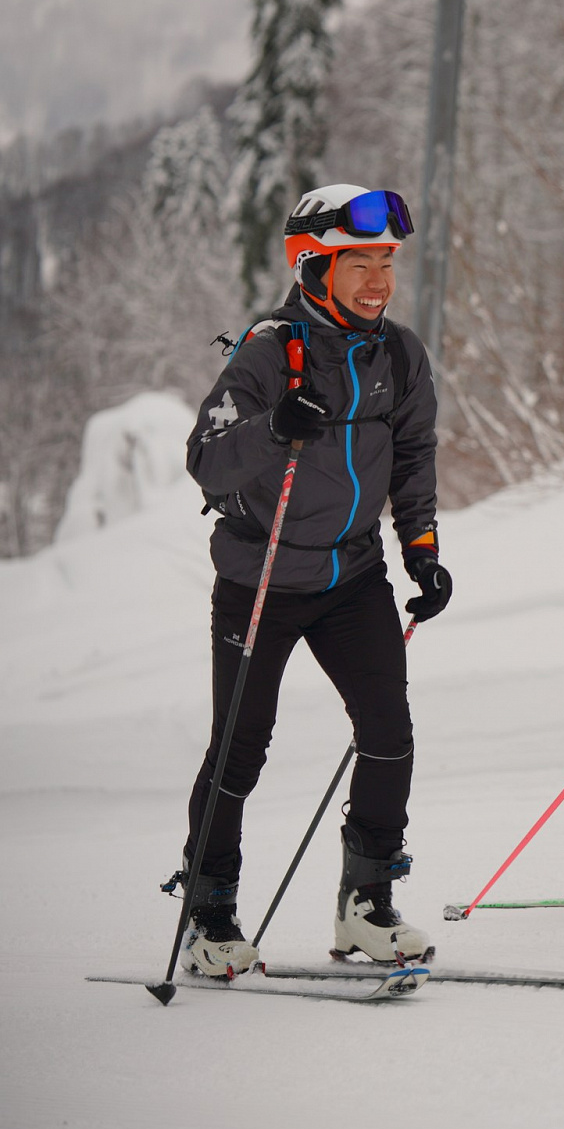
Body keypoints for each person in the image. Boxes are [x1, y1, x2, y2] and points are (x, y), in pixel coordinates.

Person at [177, 184, 450, 976]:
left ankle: (365, 905)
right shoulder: (268, 351)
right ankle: (210, 912)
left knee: (388, 736)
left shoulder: (398, 353)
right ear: (312, 265)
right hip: (261, 576)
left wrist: (423, 550)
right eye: (358, 262)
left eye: (386, 262)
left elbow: (413, 457)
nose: (378, 280)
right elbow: (206, 460)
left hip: (353, 577)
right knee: (240, 749)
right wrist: (273, 429)